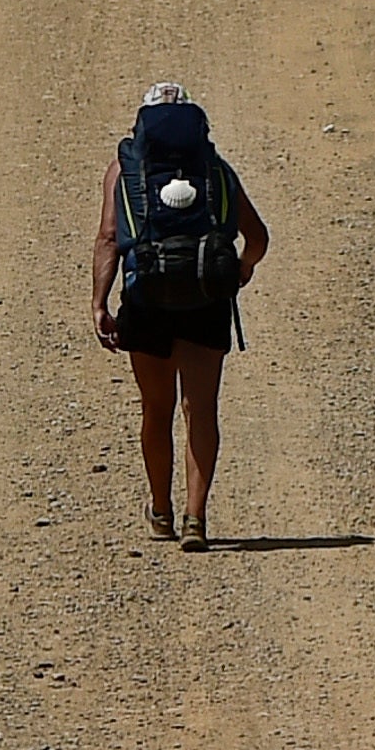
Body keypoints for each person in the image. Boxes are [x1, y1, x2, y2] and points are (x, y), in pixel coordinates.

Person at [89, 81, 272, 545]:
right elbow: (258, 237)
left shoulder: (123, 170)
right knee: (201, 409)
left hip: (146, 299)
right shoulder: (215, 170)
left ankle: (161, 512)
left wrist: (100, 303)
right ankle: (196, 518)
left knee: (156, 408)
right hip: (205, 298)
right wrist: (241, 271)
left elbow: (110, 238)